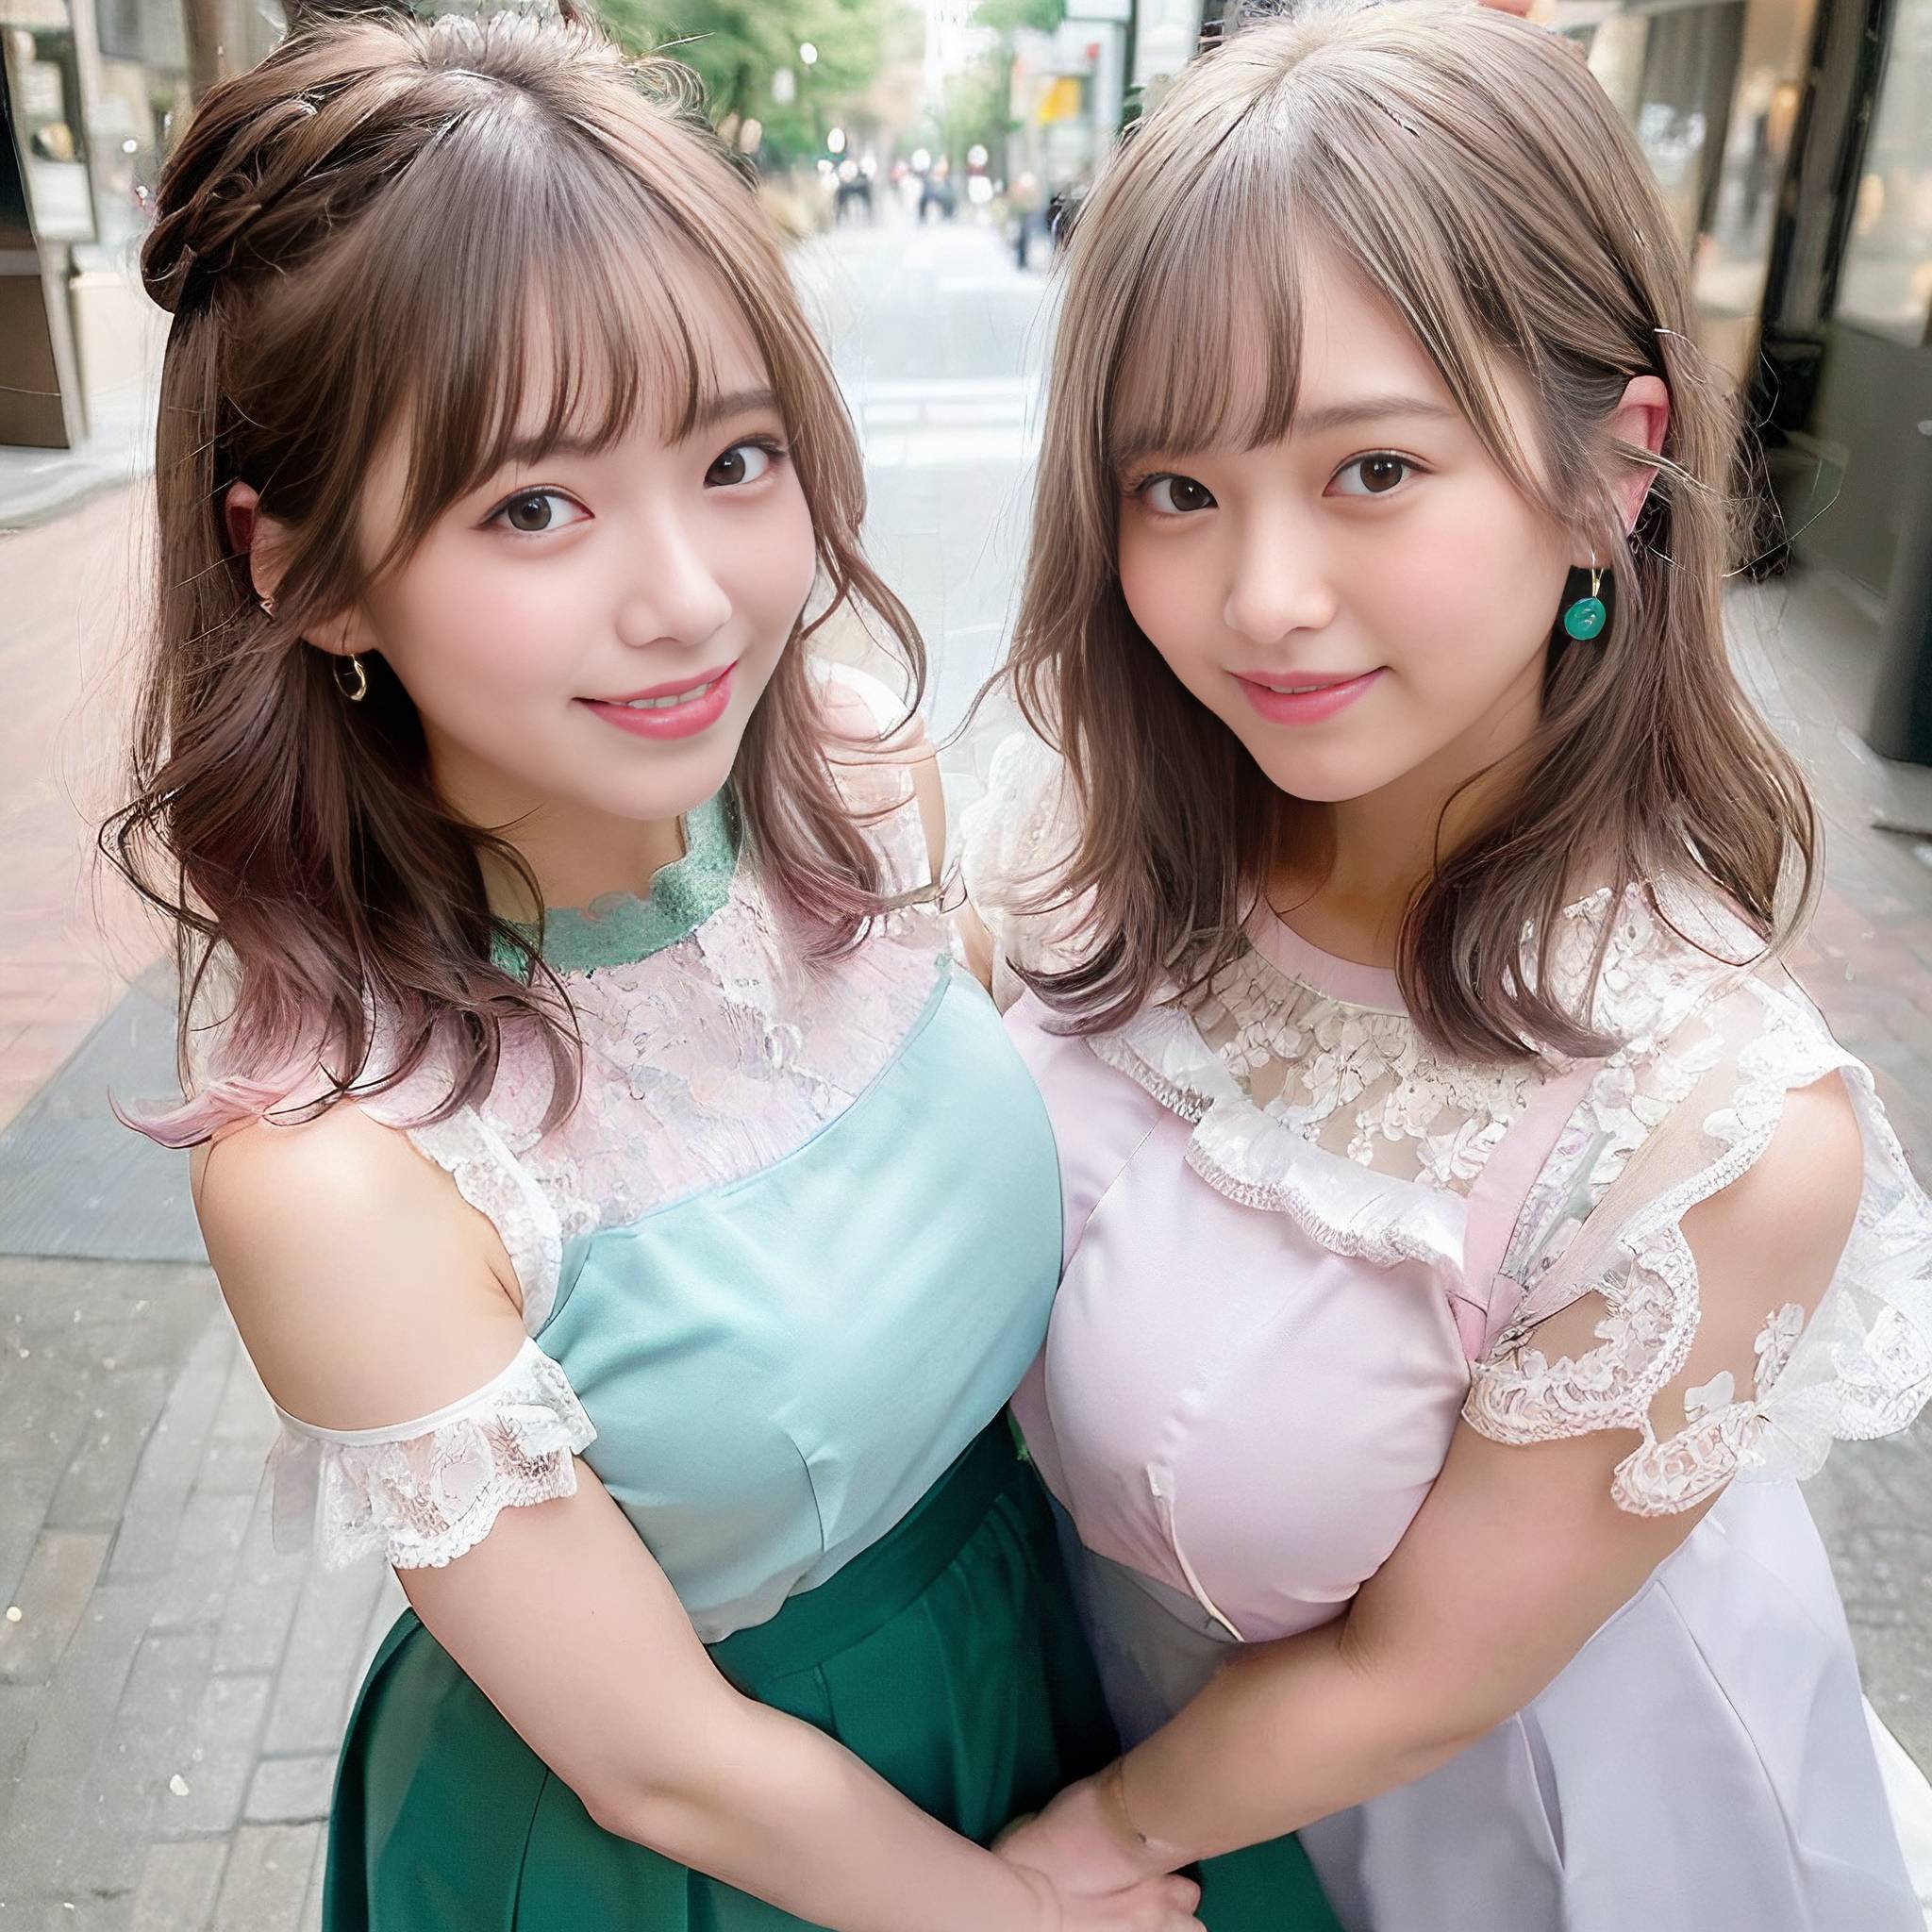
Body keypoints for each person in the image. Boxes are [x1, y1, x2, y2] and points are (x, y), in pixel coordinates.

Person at [108, 12, 1205, 1932]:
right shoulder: (341, 1167)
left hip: (1022, 1669)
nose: (689, 595)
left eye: (734, 456)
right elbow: (656, 1757)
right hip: (693, 1854)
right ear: (301, 571)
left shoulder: (857, 782)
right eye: (533, 505)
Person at [963, 3, 1932, 1926]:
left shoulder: (1703, 1123)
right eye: (1175, 489)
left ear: (1607, 470)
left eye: (1372, 471)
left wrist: (1053, 1860)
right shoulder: (1076, 837)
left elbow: (1419, 1675)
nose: (1257, 598)